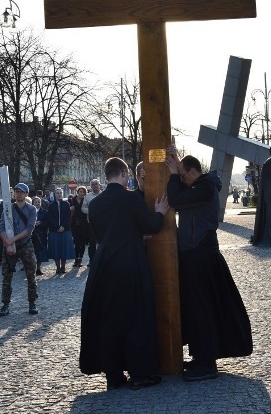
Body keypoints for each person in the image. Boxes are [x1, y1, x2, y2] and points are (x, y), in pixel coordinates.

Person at [79, 157, 168, 391]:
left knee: (110, 320)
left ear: (106, 175)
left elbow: (103, 233)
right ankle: (140, 374)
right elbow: (151, 226)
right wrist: (159, 213)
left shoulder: (95, 204)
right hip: (130, 263)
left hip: (104, 265)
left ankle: (114, 376)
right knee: (136, 318)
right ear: (123, 173)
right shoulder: (130, 199)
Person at [166, 148, 253, 382]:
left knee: (201, 310)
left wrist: (174, 174)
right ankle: (201, 358)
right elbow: (183, 194)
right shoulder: (200, 186)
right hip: (197, 254)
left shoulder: (204, 188)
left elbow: (175, 199)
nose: (181, 180)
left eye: (184, 176)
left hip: (200, 255)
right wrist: (176, 167)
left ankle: (206, 363)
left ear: (193, 172)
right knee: (198, 310)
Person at [0, 183, 38, 317]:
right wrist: (8, 243)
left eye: (21, 192)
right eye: (16, 191)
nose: (19, 194)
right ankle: (5, 304)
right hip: (9, 245)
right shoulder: (7, 209)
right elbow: (1, 228)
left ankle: (32, 302)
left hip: (25, 245)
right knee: (6, 276)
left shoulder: (31, 209)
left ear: (26, 194)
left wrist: (13, 240)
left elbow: (29, 229)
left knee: (31, 275)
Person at [45, 188, 75, 274]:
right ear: (55, 194)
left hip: (65, 230)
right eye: (57, 193)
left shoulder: (66, 204)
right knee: (56, 249)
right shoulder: (51, 205)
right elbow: (50, 217)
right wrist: (57, 227)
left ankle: (63, 267)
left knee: (64, 249)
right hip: (54, 231)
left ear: (62, 194)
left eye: (60, 193)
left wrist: (63, 226)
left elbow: (68, 217)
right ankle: (57, 267)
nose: (59, 194)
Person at [80, 179, 102, 265]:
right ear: (91, 186)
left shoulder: (104, 194)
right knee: (92, 243)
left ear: (99, 185)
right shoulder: (87, 197)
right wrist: (91, 211)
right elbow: (83, 208)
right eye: (93, 184)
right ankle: (92, 260)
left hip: (103, 222)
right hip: (91, 222)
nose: (95, 186)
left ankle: (102, 258)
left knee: (102, 242)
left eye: (96, 184)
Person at [71, 186, 91, 268]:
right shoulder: (72, 200)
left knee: (82, 242)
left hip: (84, 224)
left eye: (83, 192)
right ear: (77, 192)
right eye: (80, 191)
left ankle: (80, 258)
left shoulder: (85, 200)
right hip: (75, 224)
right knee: (76, 242)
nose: (82, 193)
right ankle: (76, 258)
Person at [32, 196, 49, 276]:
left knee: (40, 252)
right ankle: (32, 268)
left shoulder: (45, 212)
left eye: (39, 202)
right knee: (32, 252)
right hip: (32, 234)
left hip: (41, 234)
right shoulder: (30, 211)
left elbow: (47, 222)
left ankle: (38, 268)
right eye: (36, 202)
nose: (37, 203)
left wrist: (41, 223)